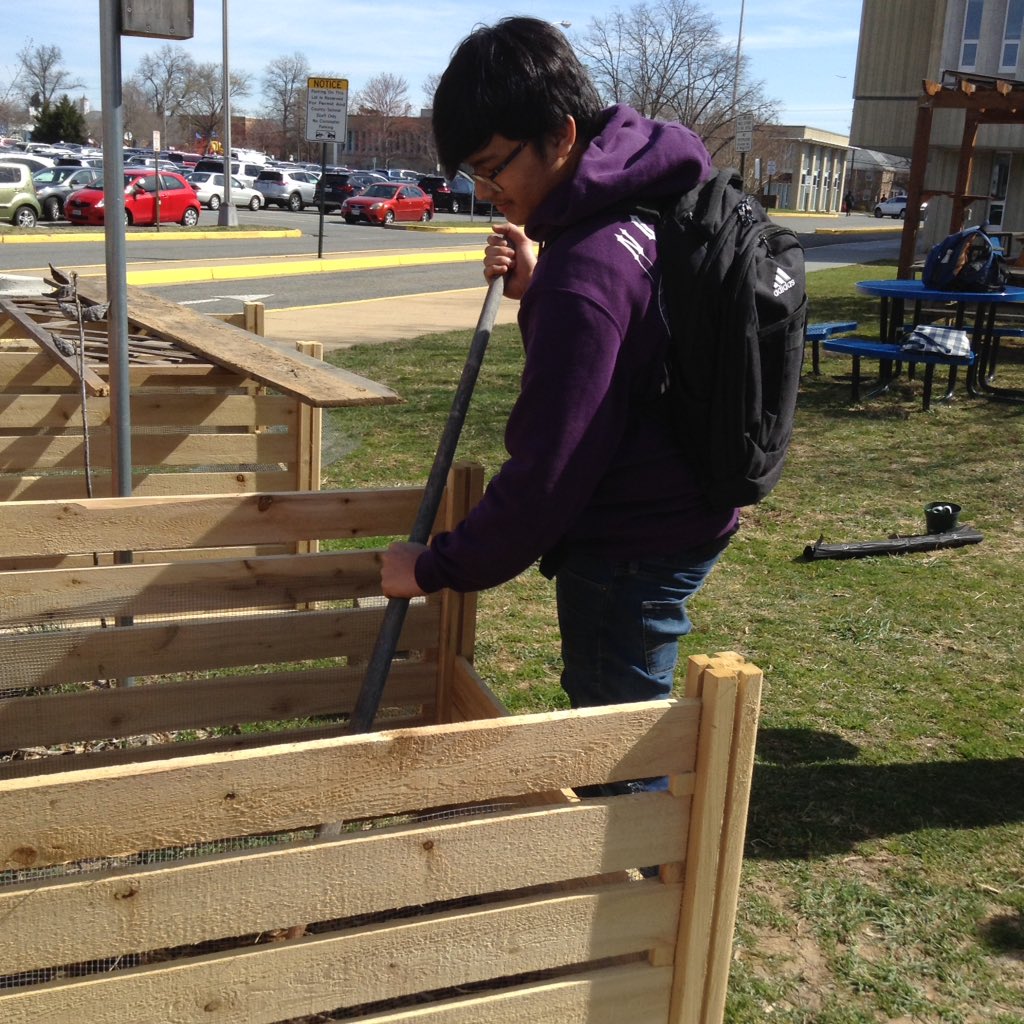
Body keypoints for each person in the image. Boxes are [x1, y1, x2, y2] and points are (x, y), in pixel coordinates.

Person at [380, 17, 738, 786]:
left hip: (632, 541)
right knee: (625, 722)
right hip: (679, 506)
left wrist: (434, 567)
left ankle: (634, 852)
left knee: (617, 744)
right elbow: (633, 350)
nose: (485, 192)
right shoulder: (643, 200)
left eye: (492, 167)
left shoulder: (588, 271)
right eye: (473, 175)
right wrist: (540, 288)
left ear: (561, 135)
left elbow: (548, 474)